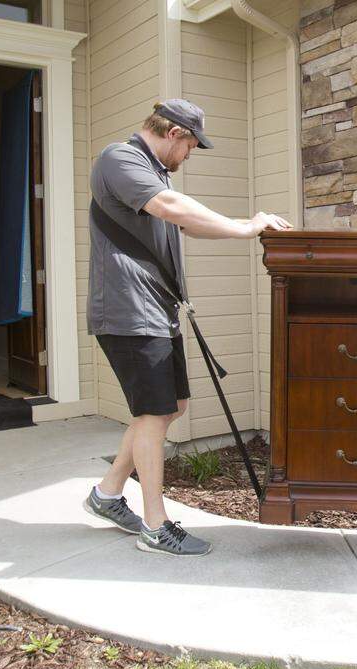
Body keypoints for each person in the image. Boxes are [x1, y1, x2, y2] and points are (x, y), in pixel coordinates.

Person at [84, 100, 292, 557]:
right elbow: (173, 208)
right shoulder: (119, 158)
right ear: (175, 132)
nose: (191, 155)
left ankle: (107, 494)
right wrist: (245, 229)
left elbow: (188, 225)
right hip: (128, 313)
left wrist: (245, 225)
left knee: (169, 407)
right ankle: (156, 526)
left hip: (155, 310)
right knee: (154, 415)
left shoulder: (154, 174)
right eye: (192, 145)